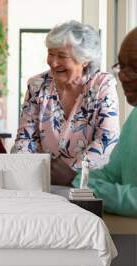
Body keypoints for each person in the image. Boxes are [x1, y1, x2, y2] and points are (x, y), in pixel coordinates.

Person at [12, 20, 120, 184]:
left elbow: (106, 141)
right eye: (50, 53)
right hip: (42, 180)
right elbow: (25, 139)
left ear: (85, 59)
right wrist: (28, 172)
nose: (53, 62)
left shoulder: (102, 85)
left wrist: (71, 175)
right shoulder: (37, 85)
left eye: (62, 56)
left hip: (87, 182)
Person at [71, 27, 137, 217]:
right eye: (121, 66)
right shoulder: (134, 119)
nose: (123, 76)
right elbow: (91, 180)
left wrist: (98, 191)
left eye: (135, 67)